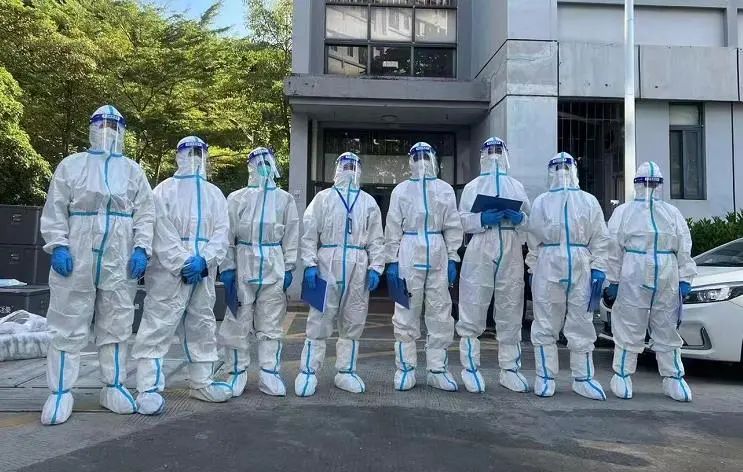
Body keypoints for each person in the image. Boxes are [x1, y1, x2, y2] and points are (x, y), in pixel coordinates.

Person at [40, 105, 155, 425]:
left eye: (114, 126)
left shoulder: (132, 170)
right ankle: (61, 391)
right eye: (102, 125)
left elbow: (146, 213)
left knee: (117, 320)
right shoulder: (72, 165)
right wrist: (58, 245)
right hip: (77, 252)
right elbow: (55, 208)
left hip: (119, 254)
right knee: (67, 318)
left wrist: (142, 248)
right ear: (91, 128)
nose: (108, 131)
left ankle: (113, 385)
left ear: (122, 132)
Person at [131, 136, 233, 414]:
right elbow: (160, 232)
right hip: (168, 273)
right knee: (157, 326)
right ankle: (148, 389)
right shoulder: (163, 191)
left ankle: (201, 382)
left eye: (200, 152)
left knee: (202, 326)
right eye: (190, 152)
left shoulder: (214, 194)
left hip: (203, 272)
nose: (195, 157)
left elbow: (222, 233)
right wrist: (184, 262)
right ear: (178, 155)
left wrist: (204, 260)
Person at [294, 152, 384, 397]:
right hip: (327, 262)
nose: (349, 169)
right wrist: (309, 264)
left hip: (358, 264)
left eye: (353, 166)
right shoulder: (323, 198)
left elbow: (377, 238)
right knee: (319, 318)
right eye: (345, 165)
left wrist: (376, 267)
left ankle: (346, 371)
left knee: (354, 318)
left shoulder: (368, 202)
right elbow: (309, 233)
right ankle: (308, 371)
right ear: (336, 169)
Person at [604, 161, 696, 401]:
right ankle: (622, 374)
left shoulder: (671, 213)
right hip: (633, 274)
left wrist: (685, 277)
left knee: (667, 326)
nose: (650, 188)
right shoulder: (624, 212)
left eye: (654, 184)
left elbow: (684, 246)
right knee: (629, 324)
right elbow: (613, 247)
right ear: (637, 184)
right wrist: (613, 280)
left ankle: (673, 377)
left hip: (666, 275)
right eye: (646, 183)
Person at [526, 152, 610, 400]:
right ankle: (545, 376)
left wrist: (599, 267)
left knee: (581, 321)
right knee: (545, 320)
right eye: (557, 168)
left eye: (566, 167)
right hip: (548, 263)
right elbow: (533, 240)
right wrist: (532, 268)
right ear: (550, 172)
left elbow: (600, 237)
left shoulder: (588, 201)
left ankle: (583, 378)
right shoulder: (541, 202)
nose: (562, 172)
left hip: (580, 263)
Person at [218, 147, 299, 397]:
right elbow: (226, 235)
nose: (264, 167)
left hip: (273, 261)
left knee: (271, 321)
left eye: (267, 162)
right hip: (243, 262)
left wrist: (289, 265)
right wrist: (227, 267)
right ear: (250, 166)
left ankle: (269, 373)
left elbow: (292, 233)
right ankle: (236, 372)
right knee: (237, 320)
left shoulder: (284, 199)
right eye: (258, 163)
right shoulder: (236, 198)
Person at [385, 142, 463, 392]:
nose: (422, 161)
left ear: (434, 159)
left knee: (440, 311)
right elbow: (392, 227)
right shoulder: (401, 190)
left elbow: (453, 224)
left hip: (437, 250)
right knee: (406, 311)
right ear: (410, 161)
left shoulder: (445, 189)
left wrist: (453, 257)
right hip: (409, 250)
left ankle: (437, 370)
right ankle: (405, 369)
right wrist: (392, 261)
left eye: (426, 156)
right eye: (417, 156)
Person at [456, 137, 531, 393]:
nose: (495, 155)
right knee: (473, 303)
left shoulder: (516, 186)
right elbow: (461, 220)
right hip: (481, 243)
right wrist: (481, 218)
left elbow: (530, 220)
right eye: (490, 151)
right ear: (483, 155)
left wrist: (520, 219)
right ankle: (470, 368)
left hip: (511, 245)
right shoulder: (473, 186)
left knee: (510, 306)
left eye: (499, 150)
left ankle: (510, 369)